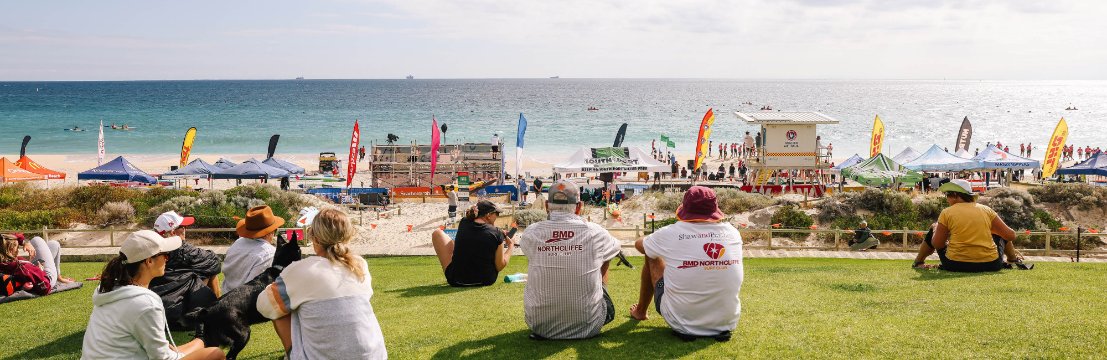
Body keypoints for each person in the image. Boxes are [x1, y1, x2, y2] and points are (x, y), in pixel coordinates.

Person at [258, 208, 386, 359]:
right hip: (375, 354)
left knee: (279, 306)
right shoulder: (359, 264)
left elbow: (263, 306)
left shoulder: (302, 269)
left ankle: (294, 354)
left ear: (315, 238)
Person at [81, 230, 225, 360]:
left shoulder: (110, 289)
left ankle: (203, 338)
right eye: (165, 255)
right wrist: (201, 341)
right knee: (215, 354)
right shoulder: (146, 303)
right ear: (149, 261)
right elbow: (162, 359)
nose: (167, 258)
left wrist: (200, 341)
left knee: (182, 347)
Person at [629, 186, 743, 341]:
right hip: (726, 321)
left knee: (651, 254)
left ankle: (641, 311)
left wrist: (657, 242)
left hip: (681, 322)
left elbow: (639, 245)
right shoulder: (732, 232)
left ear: (686, 207)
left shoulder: (672, 232)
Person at [518, 181, 620, 340]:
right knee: (605, 256)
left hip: (540, 326)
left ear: (546, 205)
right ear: (579, 206)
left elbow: (529, 252)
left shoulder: (532, 233)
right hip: (588, 325)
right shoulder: (595, 232)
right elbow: (615, 248)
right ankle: (594, 298)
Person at [912, 179, 1032, 272]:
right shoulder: (986, 210)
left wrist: (936, 229)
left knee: (934, 227)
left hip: (955, 264)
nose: (947, 198)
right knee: (1001, 234)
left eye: (948, 195)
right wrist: (993, 231)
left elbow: (937, 244)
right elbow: (1010, 235)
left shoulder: (947, 212)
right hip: (991, 264)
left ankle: (918, 262)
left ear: (955, 195)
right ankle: (1013, 260)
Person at [148, 211, 222, 330]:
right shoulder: (183, 250)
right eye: (182, 227)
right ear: (173, 232)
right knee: (210, 270)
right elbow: (214, 261)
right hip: (178, 313)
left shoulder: (149, 249)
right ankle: (218, 311)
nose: (185, 229)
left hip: (154, 311)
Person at [430, 200, 514, 286]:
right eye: (496, 214)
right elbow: (500, 266)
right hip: (486, 280)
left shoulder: (464, 222)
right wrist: (510, 246)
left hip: (456, 280)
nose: (497, 217)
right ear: (488, 215)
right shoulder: (497, 233)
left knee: (437, 233)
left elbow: (478, 230)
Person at [222, 205, 284, 293]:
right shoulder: (268, 253)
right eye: (275, 230)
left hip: (225, 295)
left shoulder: (238, 242)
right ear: (269, 233)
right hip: (244, 303)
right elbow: (255, 288)